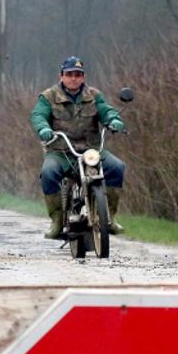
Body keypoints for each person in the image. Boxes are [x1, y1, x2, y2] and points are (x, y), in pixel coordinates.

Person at [29, 56, 126, 239]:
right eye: (69, 74)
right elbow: (38, 115)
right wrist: (43, 128)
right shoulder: (48, 97)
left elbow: (106, 110)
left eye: (78, 74)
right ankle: (57, 220)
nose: (74, 78)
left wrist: (114, 120)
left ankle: (109, 218)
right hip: (61, 152)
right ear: (61, 76)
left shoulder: (94, 95)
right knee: (49, 173)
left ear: (83, 77)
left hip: (91, 151)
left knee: (116, 167)